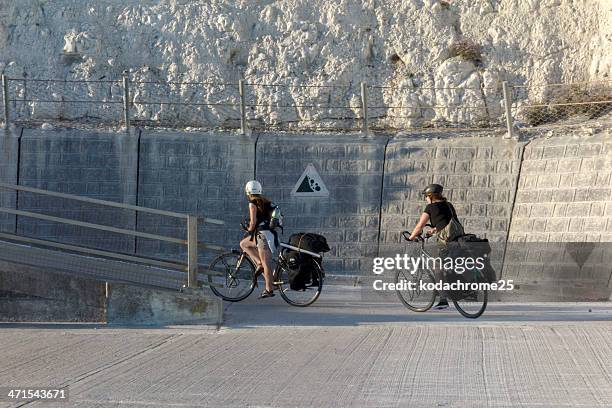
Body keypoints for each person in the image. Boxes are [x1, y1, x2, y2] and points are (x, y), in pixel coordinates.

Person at [406, 183, 464, 310]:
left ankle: (443, 299)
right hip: (458, 239)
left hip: (446, 242)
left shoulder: (430, 207)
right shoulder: (448, 205)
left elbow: (420, 226)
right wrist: (433, 230)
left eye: (426, 196)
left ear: (430, 196)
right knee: (447, 266)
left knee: (437, 267)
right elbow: (448, 223)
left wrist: (411, 237)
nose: (426, 199)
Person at [240, 180, 277, 298]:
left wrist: (249, 230)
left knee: (266, 263)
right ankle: (259, 263)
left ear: (248, 191)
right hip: (270, 234)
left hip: (262, 235)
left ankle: (269, 289)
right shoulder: (266, 201)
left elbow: (253, 221)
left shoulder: (253, 203)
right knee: (244, 244)